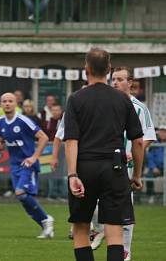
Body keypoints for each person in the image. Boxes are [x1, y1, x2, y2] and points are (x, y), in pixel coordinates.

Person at [63, 48, 145, 261]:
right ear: (109, 70)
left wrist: (72, 175)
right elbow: (137, 141)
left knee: (81, 227)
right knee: (114, 229)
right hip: (114, 168)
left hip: (85, 168)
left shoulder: (75, 99)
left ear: (86, 69)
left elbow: (71, 140)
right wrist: (136, 175)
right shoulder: (122, 99)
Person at [89, 67, 156, 260]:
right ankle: (100, 230)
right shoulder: (103, 104)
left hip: (126, 168)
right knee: (93, 204)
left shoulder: (139, 108)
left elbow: (147, 137)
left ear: (130, 83)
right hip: (101, 164)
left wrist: (132, 154)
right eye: (114, 79)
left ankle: (125, 251)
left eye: (120, 79)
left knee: (125, 211)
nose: (116, 83)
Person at [0, 92, 55, 238]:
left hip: (27, 163)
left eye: (10, 101)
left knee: (20, 192)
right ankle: (45, 223)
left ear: (16, 104)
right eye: (4, 101)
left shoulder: (23, 120)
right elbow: (2, 143)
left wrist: (34, 157)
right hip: (14, 165)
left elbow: (44, 138)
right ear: (1, 104)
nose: (7, 103)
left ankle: (46, 219)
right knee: (21, 197)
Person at [145, 126, 165, 204]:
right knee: (148, 176)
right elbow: (149, 157)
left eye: (164, 132)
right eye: (161, 132)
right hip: (157, 168)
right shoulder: (154, 144)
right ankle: (151, 196)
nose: (163, 134)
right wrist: (153, 167)